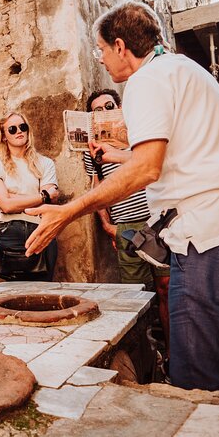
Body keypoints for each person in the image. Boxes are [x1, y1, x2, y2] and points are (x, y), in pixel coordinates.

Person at [25, 1, 219, 391]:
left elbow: (148, 169)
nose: (102, 60)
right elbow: (180, 152)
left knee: (195, 381)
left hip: (205, 242)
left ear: (121, 46)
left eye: (102, 50)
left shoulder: (147, 80)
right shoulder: (186, 69)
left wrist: (67, 212)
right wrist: (119, 154)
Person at [83, 89, 171, 364]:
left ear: (119, 108)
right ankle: (147, 358)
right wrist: (108, 227)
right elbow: (98, 189)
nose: (105, 111)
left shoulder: (140, 136)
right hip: (126, 227)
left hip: (157, 222)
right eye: (98, 109)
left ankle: (172, 351)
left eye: (109, 105)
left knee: (167, 287)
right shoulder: (93, 152)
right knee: (136, 295)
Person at [0, 112, 59, 281]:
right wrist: (42, 195)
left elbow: (51, 200)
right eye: (12, 129)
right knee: (15, 295)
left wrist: (9, 196)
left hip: (41, 231)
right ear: (3, 136)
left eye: (23, 127)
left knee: (43, 293)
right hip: (11, 234)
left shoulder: (45, 163)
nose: (19, 131)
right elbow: (7, 206)